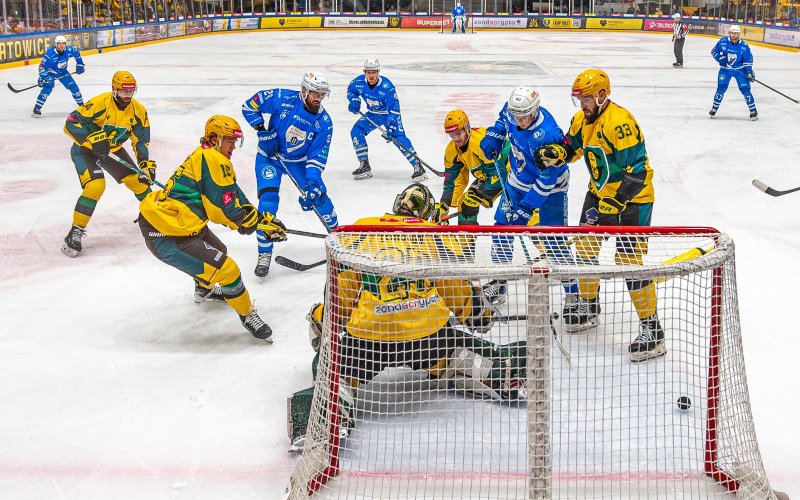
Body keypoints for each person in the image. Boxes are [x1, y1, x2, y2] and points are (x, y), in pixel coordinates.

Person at [287, 183, 527, 451]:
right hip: (428, 340)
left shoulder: (357, 232)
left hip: (368, 343)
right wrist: (479, 314)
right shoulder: (434, 235)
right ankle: (503, 371)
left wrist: (319, 320)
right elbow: (457, 291)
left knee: (330, 360)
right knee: (456, 346)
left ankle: (326, 413)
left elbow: (338, 309)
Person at [535, 69, 662, 362]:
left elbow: (640, 173)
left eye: (587, 99)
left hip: (633, 201)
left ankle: (652, 329)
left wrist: (618, 202)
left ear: (602, 95)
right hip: (598, 194)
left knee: (629, 264)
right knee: (585, 250)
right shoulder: (582, 119)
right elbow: (572, 147)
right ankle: (589, 305)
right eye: (579, 99)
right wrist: (558, 153)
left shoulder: (620, 123)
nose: (583, 105)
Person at [138, 115, 287, 342]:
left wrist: (259, 218)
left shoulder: (208, 156)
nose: (233, 146)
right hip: (167, 234)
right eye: (230, 140)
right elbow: (221, 210)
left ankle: (203, 289)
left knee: (219, 251)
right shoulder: (213, 159)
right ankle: (247, 315)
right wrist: (256, 224)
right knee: (227, 270)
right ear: (215, 138)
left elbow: (233, 193)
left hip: (180, 225)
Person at [480, 86, 577, 306]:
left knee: (554, 241)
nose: (518, 121)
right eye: (515, 115)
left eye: (523, 117)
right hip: (519, 180)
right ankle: (500, 281)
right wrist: (494, 137)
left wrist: (527, 207)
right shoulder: (511, 111)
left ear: (535, 110)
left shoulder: (548, 134)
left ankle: (573, 293)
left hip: (552, 188)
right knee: (501, 229)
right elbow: (501, 123)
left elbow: (547, 180)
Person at [241, 71, 339, 278]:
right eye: (315, 93)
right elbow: (249, 106)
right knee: (267, 203)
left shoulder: (324, 123)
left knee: (320, 197)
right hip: (269, 158)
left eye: (321, 94)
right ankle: (264, 254)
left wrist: (312, 184)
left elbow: (316, 158)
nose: (318, 98)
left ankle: (338, 237)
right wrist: (261, 130)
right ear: (303, 90)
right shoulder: (280, 97)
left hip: (299, 163)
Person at [61, 70, 155, 257]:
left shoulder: (138, 111)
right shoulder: (100, 102)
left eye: (131, 91)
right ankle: (75, 232)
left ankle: (154, 217)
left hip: (112, 150)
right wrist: (92, 140)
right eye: (123, 91)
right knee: (95, 186)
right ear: (114, 89)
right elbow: (71, 123)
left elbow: (140, 141)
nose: (127, 95)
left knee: (139, 181)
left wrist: (144, 164)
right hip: (85, 150)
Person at [347, 59, 427, 181]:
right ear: (365, 72)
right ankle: (364, 164)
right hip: (373, 114)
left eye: (374, 72)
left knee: (398, 139)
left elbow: (395, 107)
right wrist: (354, 101)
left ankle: (418, 166)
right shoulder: (358, 82)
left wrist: (391, 124)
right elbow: (351, 90)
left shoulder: (386, 86)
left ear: (378, 72)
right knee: (356, 131)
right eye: (369, 72)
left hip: (389, 115)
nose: (371, 75)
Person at [434, 109, 507, 226]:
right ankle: (467, 242)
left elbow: (499, 174)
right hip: (488, 175)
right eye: (452, 134)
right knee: (465, 202)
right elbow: (453, 182)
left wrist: (478, 197)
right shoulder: (451, 150)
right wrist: (444, 205)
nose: (455, 138)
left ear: (467, 128)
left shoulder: (481, 143)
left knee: (519, 211)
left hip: (511, 171)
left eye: (458, 133)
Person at [709, 25, 758, 120]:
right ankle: (714, 109)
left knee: (745, 89)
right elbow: (714, 51)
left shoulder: (744, 46)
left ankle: (753, 111)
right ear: (729, 33)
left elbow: (748, 59)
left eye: (735, 33)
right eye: (732, 33)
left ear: (738, 34)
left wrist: (749, 71)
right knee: (721, 88)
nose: (733, 35)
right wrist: (720, 58)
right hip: (725, 69)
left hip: (740, 70)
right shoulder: (723, 41)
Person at [33, 35, 85, 117]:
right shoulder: (50, 54)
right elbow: (42, 66)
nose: (61, 45)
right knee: (47, 89)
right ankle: (36, 109)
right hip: (50, 72)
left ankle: (82, 107)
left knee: (74, 88)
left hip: (63, 72)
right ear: (56, 44)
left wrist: (80, 64)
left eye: (63, 43)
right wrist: (42, 77)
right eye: (59, 43)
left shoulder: (69, 49)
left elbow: (77, 54)